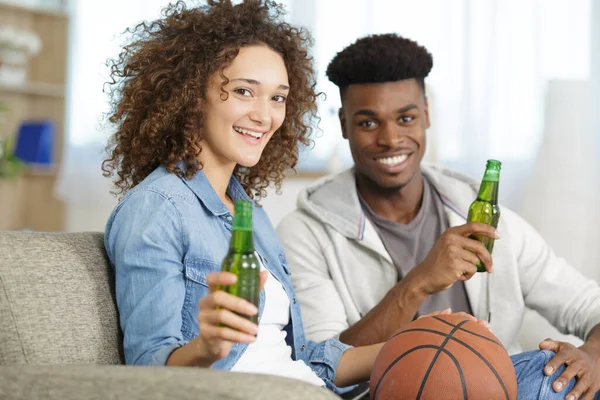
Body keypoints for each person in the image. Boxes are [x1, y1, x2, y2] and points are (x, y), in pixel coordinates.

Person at [277, 33, 600, 400]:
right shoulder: (304, 234)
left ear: (426, 114)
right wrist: (418, 284)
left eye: (406, 117)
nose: (390, 138)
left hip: (498, 389)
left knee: (559, 375)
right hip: (391, 394)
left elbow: (589, 305)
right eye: (368, 123)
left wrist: (592, 357)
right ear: (344, 125)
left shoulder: (476, 210)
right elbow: (324, 373)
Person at [101, 0, 392, 396]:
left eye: (277, 98)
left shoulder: (248, 214)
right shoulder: (158, 207)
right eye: (243, 92)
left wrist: (409, 348)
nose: (264, 115)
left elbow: (298, 361)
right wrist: (207, 348)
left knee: (500, 369)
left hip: (307, 390)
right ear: (191, 96)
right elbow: (148, 368)